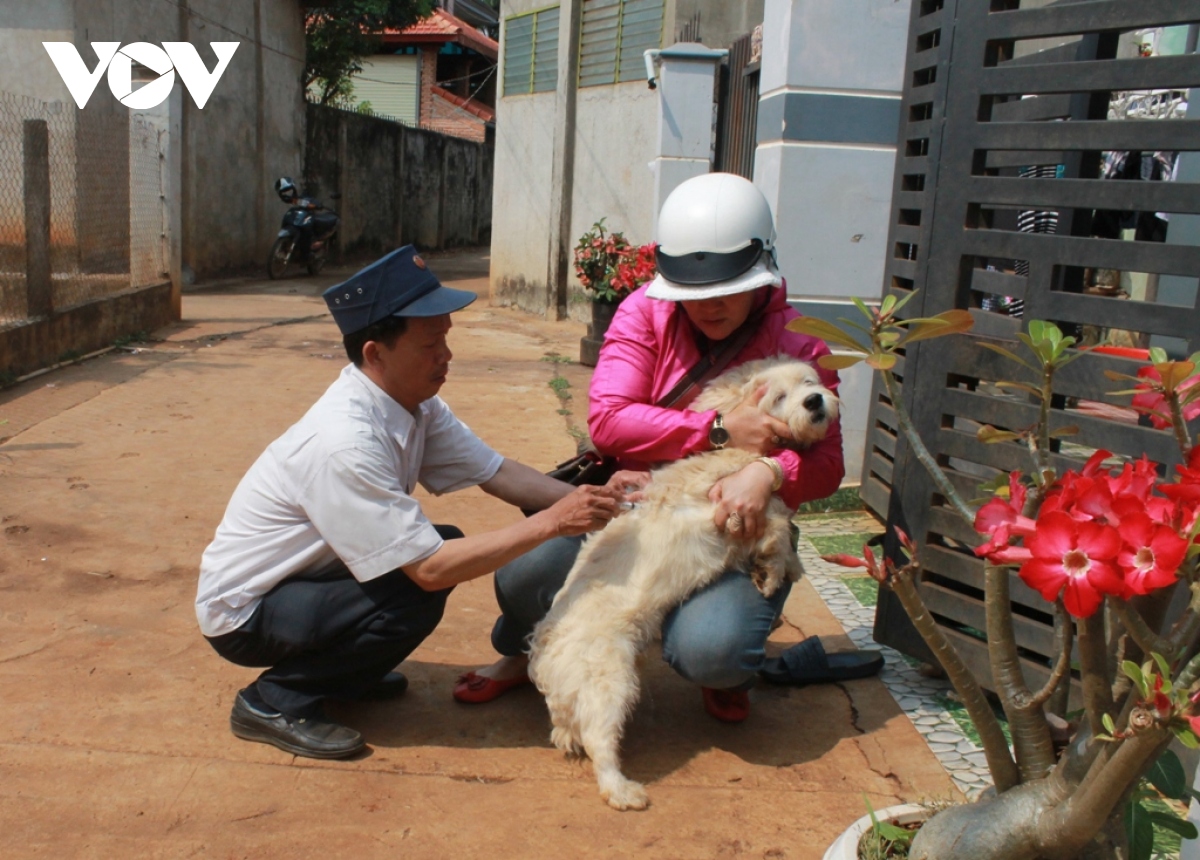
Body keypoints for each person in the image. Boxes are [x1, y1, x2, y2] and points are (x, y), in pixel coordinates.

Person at [455, 173, 882, 721]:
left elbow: (827, 465)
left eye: (726, 289)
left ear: (762, 272)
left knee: (713, 651)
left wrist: (768, 475)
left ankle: (725, 662)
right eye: (693, 293)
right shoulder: (645, 312)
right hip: (636, 506)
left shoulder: (799, 343)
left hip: (731, 528)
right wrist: (718, 432)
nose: (708, 306)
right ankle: (522, 652)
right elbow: (609, 422)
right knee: (525, 576)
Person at [196, 245, 640, 759]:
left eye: (447, 338)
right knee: (421, 585)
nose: (446, 355)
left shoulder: (416, 405)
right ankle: (275, 700)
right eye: (430, 343)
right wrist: (551, 525)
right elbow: (429, 571)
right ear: (375, 353)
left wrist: (599, 502)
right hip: (248, 612)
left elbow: (497, 473)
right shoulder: (343, 441)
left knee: (441, 547)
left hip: (308, 582)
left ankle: (343, 674)